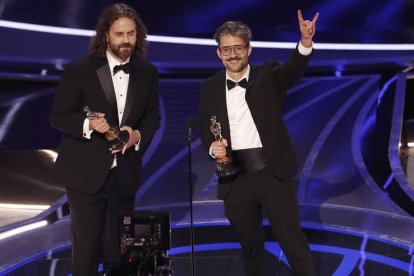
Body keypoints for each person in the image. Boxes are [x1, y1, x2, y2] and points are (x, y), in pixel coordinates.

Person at [199, 10, 319, 276]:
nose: (232, 54)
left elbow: (292, 72)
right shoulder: (209, 87)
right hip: (234, 178)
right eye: (226, 49)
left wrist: (305, 43)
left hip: (271, 173)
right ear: (219, 53)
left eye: (238, 48)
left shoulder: (268, 75)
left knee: (292, 242)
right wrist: (212, 147)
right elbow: (206, 127)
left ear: (249, 50)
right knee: (250, 247)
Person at [50, 3, 160, 276]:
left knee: (121, 254)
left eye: (131, 34)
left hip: (124, 175)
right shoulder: (80, 70)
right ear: (105, 35)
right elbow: (59, 116)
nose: (126, 41)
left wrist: (136, 136)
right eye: (119, 34)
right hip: (85, 174)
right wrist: (88, 124)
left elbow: (152, 118)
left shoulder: (148, 73)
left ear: (139, 35)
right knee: (86, 253)